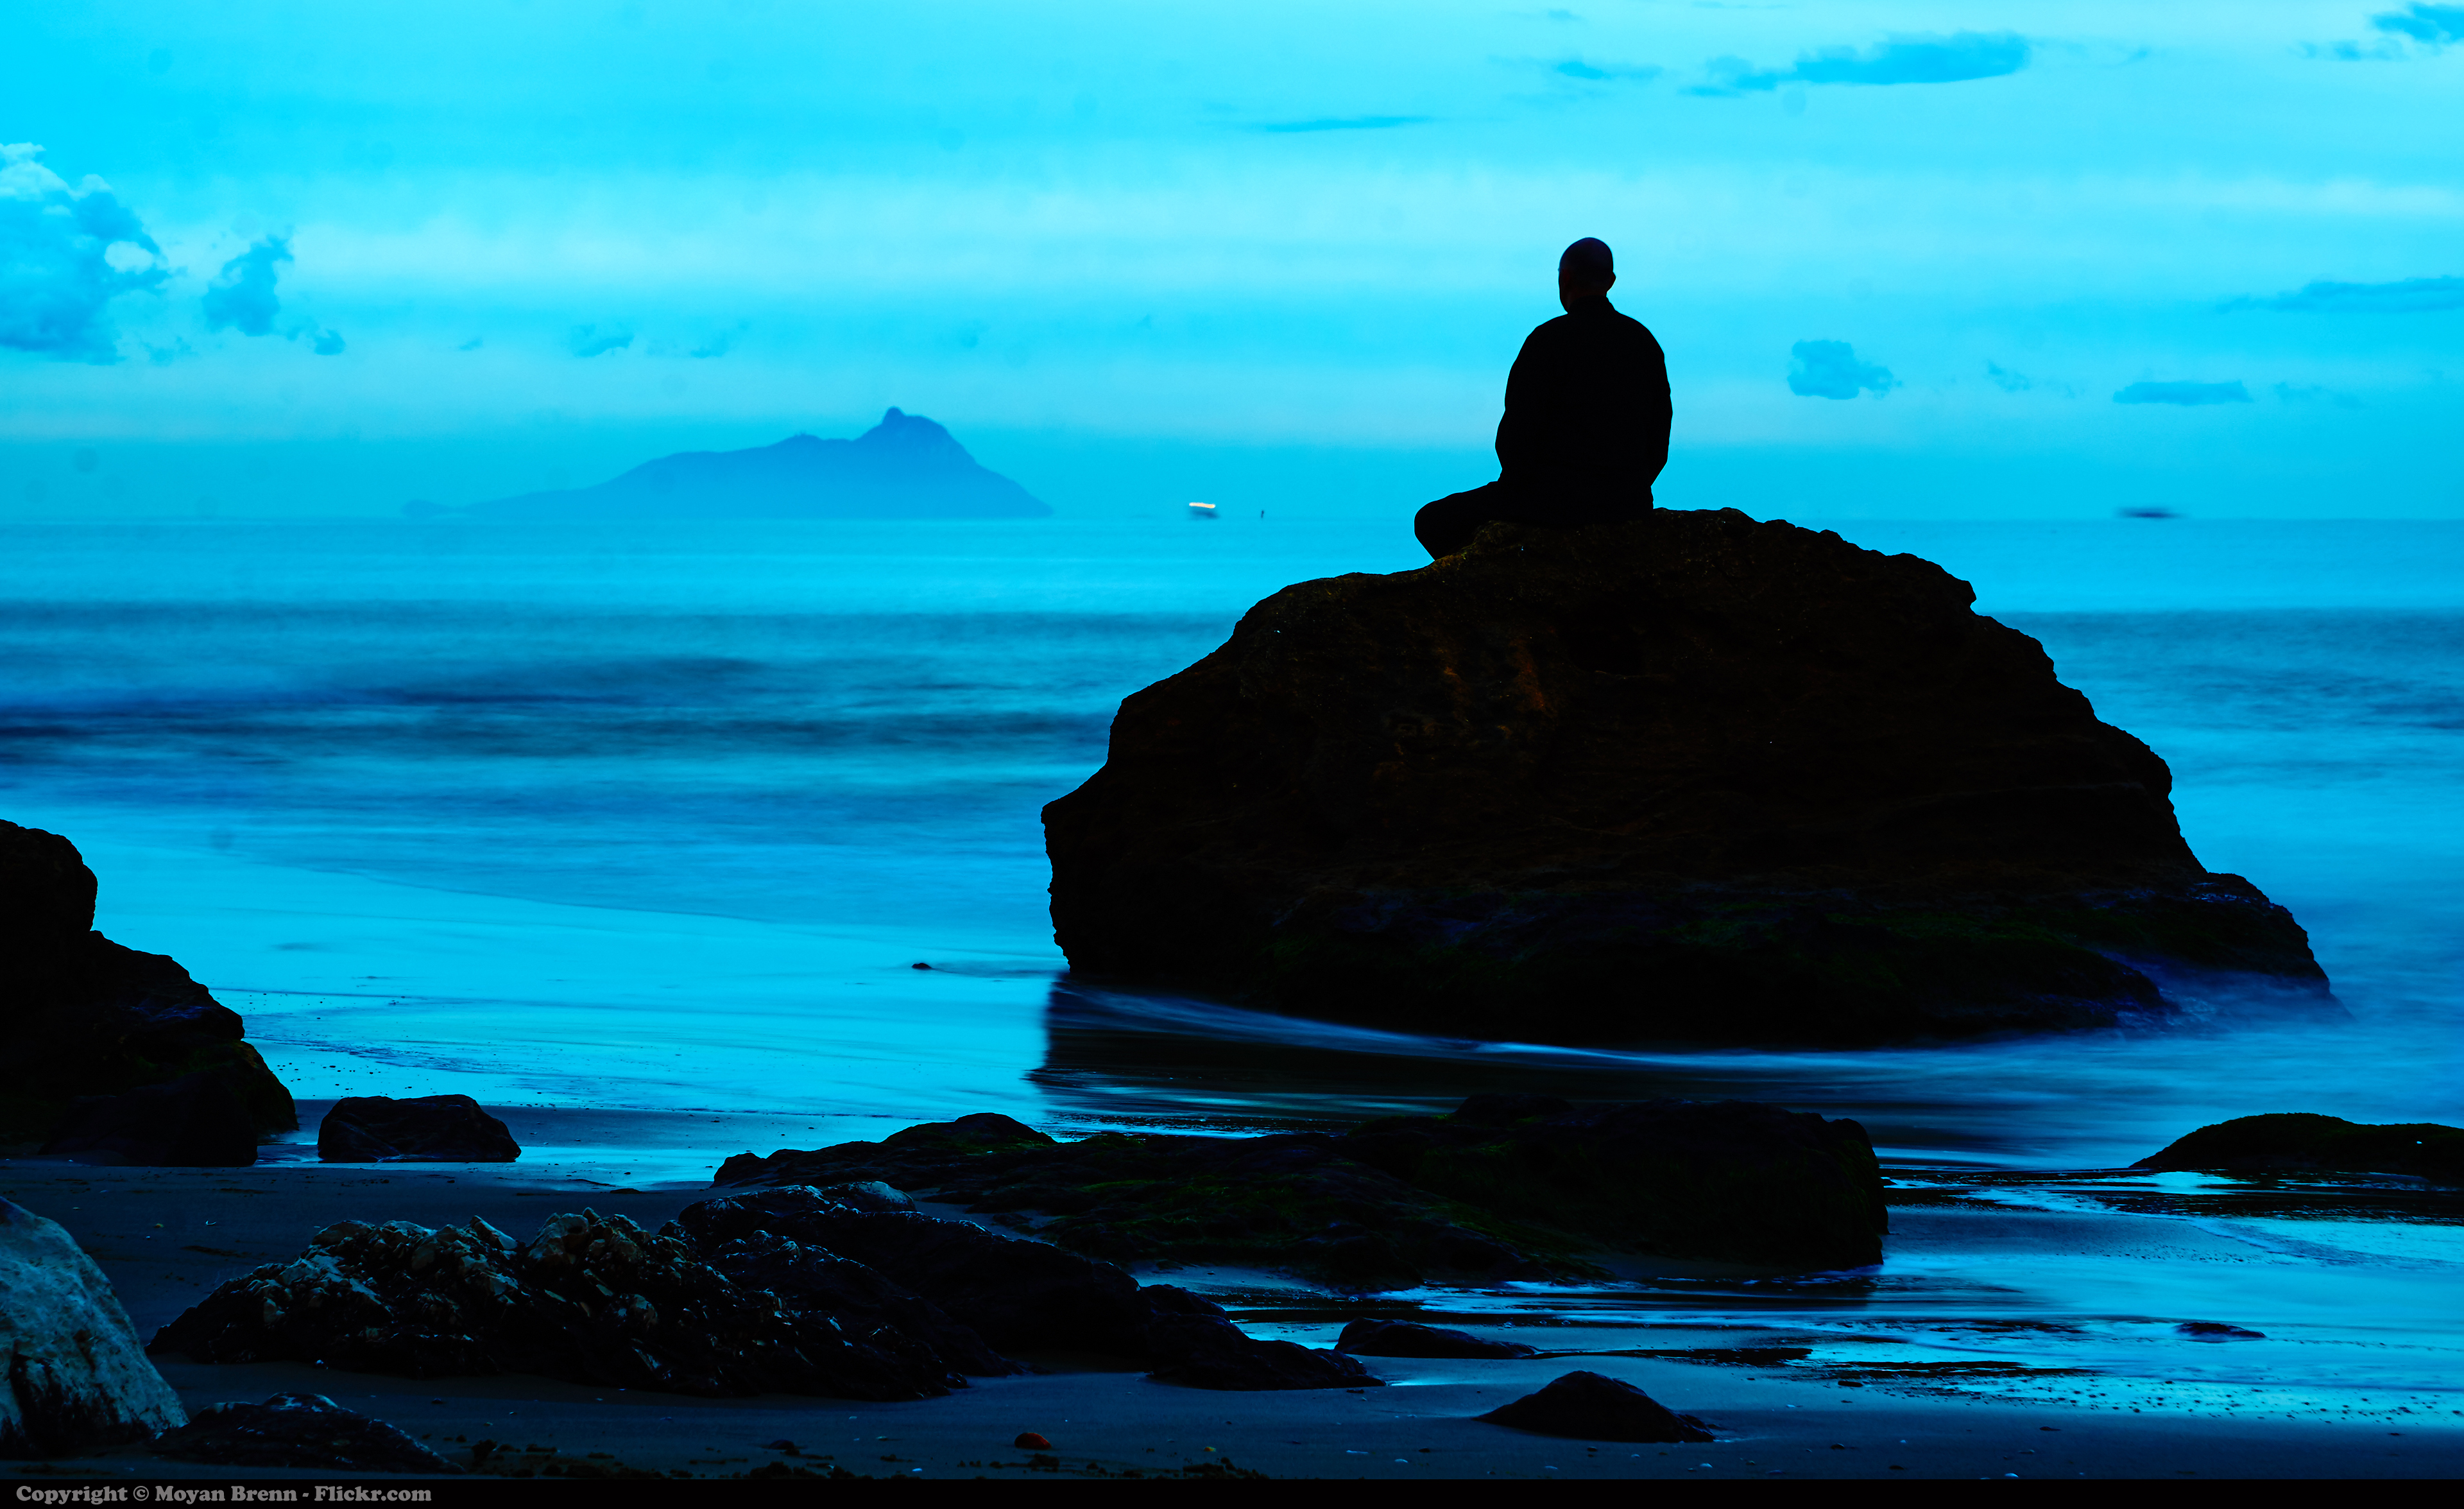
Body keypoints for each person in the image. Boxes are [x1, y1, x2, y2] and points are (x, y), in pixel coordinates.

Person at [1413, 237, 1672, 558]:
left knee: (1431, 521)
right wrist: (1629, 487)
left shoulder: (1547, 340)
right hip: (1627, 501)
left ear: (1565, 280)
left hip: (1551, 500)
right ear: (1611, 281)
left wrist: (1520, 489)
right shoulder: (1644, 343)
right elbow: (1659, 438)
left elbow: (1516, 434)